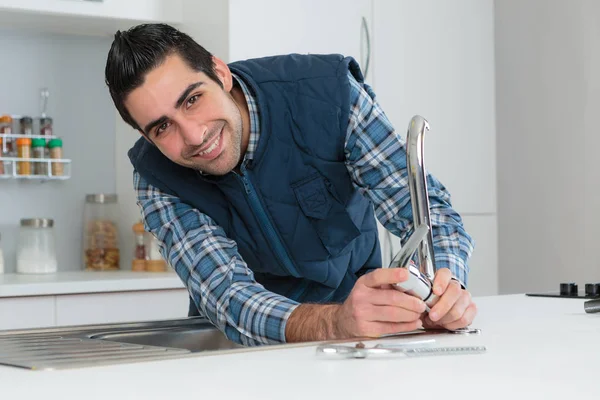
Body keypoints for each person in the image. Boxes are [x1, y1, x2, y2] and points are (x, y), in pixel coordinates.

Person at [104, 23, 477, 346]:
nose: (195, 135)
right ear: (145, 135)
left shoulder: (329, 96)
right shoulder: (156, 178)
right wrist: (333, 323)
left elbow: (430, 217)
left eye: (192, 99)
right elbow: (227, 295)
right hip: (242, 342)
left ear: (220, 72)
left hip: (360, 327)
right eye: (162, 127)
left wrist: (446, 288)